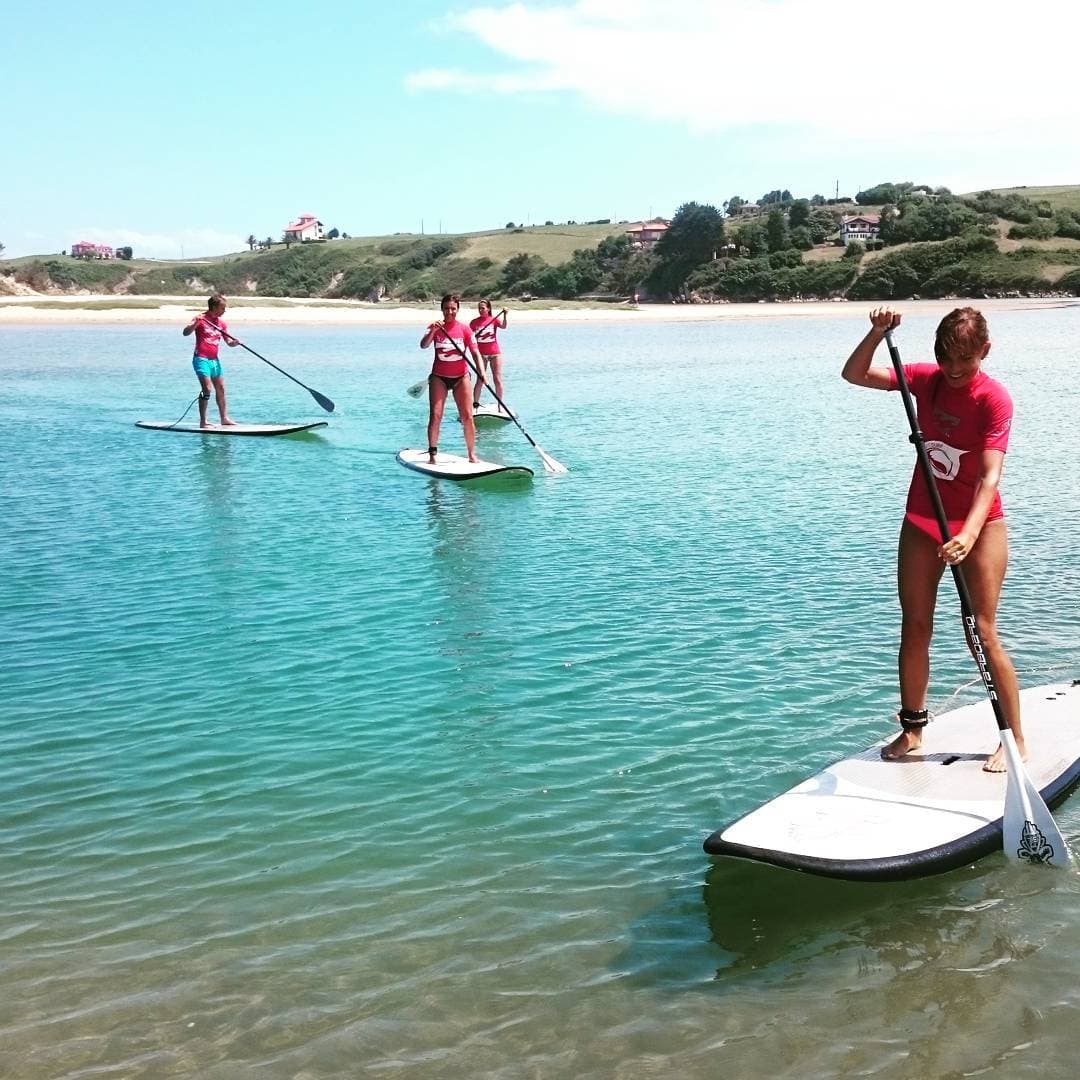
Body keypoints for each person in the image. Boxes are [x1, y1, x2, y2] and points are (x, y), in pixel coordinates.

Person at [842, 306, 1021, 772]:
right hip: (922, 521)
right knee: (915, 623)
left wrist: (967, 532)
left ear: (985, 350)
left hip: (979, 528)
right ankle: (914, 728)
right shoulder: (926, 379)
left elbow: (989, 477)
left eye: (966, 359)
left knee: (980, 631)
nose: (956, 370)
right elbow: (855, 374)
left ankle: (1013, 739)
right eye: (947, 358)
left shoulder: (993, 398)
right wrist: (877, 333)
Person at [420, 294, 483, 464]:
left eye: (453, 309)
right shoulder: (434, 327)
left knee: (468, 416)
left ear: (457, 310)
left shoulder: (465, 329)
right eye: (447, 308)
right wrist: (433, 330)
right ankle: (432, 455)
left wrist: (481, 373)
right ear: (442, 309)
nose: (450, 312)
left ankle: (471, 454)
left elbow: (475, 353)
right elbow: (424, 345)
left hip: (461, 377)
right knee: (436, 415)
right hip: (439, 377)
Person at [182, 294, 239, 427]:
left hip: (214, 360)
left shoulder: (221, 324)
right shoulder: (200, 319)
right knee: (206, 389)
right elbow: (185, 332)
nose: (224, 311)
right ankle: (203, 421)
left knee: (221, 388)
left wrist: (234, 343)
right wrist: (195, 323)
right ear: (214, 307)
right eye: (222, 308)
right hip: (201, 359)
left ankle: (224, 418)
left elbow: (228, 342)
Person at [469, 299, 508, 410]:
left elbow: (504, 326)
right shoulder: (474, 322)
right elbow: (469, 337)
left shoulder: (494, 320)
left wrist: (505, 315)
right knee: (480, 379)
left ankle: (500, 406)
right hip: (481, 355)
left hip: (495, 353)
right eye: (479, 308)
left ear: (488, 309)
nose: (481, 310)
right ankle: (475, 405)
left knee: (497, 379)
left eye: (483, 308)